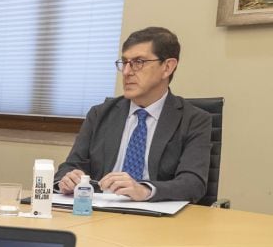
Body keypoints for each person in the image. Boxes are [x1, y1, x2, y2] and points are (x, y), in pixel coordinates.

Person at [55, 27, 212, 203]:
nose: (127, 72)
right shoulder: (100, 114)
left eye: (138, 62)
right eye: (124, 63)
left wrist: (144, 190)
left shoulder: (194, 120)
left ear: (167, 67)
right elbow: (69, 167)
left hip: (157, 218)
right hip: (99, 212)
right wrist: (67, 179)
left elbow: (193, 183)